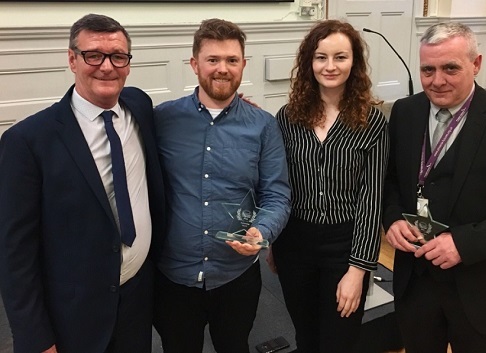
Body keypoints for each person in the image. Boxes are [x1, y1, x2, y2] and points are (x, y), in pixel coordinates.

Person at [0, 14, 165, 353]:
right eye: (94, 55)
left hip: (137, 298)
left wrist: (233, 104)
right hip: (72, 313)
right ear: (72, 59)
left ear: (128, 64)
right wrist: (35, 338)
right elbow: (15, 253)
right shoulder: (28, 141)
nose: (107, 67)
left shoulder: (139, 106)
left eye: (118, 56)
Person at [383, 22, 486, 353]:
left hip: (481, 287)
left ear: (476, 64)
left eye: (450, 68)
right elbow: (389, 181)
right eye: (427, 69)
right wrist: (391, 219)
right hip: (414, 282)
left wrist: (464, 243)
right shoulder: (405, 111)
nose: (437, 80)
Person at [153, 18, 291, 353]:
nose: (222, 69)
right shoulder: (161, 120)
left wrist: (262, 231)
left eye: (231, 60)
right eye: (212, 59)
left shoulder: (263, 126)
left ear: (243, 65)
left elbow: (277, 193)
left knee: (234, 345)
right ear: (194, 64)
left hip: (235, 276)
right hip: (173, 276)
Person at [270, 20, 389, 353]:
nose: (330, 66)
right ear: (310, 62)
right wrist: (272, 241)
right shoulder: (288, 116)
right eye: (321, 57)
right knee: (306, 338)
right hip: (294, 243)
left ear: (355, 63)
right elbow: (279, 184)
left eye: (340, 57)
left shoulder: (371, 121)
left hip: (345, 245)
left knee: (340, 341)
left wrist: (359, 270)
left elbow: (372, 198)